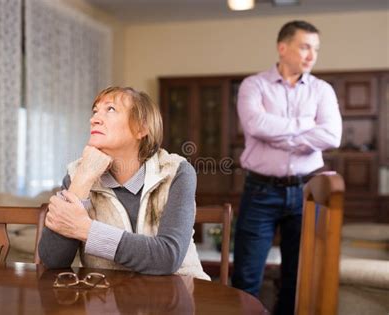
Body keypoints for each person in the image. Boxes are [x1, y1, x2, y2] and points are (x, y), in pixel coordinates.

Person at [38, 86, 210, 280]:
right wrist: (83, 179)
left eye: (110, 109)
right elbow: (53, 260)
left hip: (177, 296)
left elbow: (168, 256)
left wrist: (86, 230)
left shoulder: (175, 171)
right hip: (107, 300)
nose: (94, 119)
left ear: (141, 128)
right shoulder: (76, 174)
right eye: (95, 111)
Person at [232, 20, 342, 314]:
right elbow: (256, 125)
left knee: (298, 279)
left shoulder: (322, 91)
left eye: (316, 49)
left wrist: (278, 135)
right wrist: (306, 127)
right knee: (246, 277)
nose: (311, 55)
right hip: (260, 192)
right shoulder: (253, 86)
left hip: (307, 192)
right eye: (305, 46)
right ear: (283, 48)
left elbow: (332, 135)